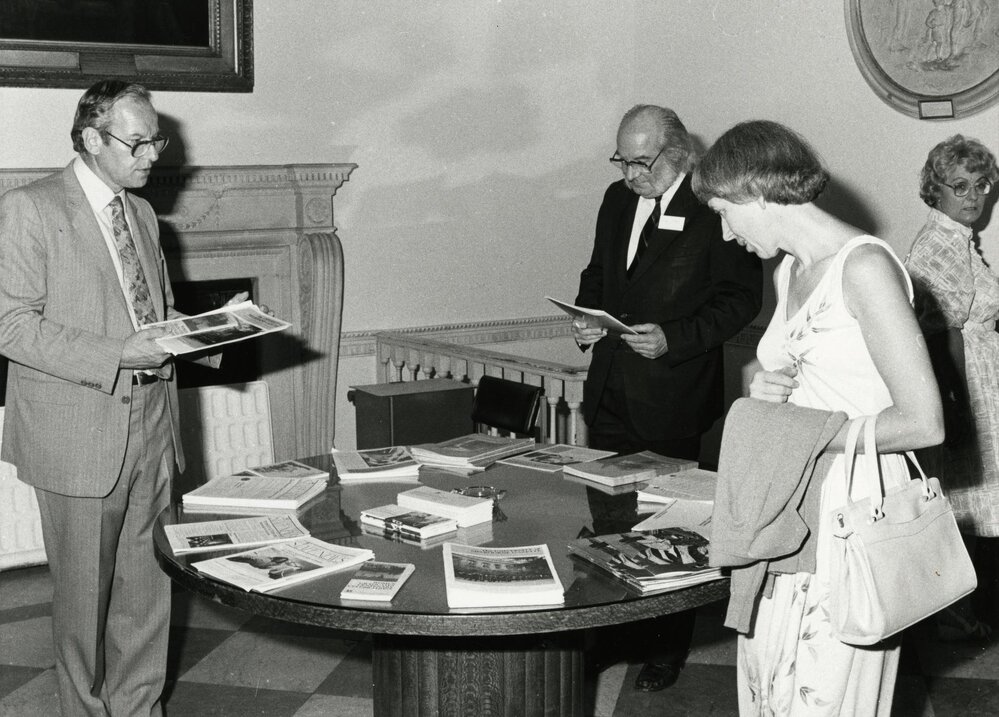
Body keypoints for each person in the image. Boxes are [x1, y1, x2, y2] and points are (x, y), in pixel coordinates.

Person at [691, 119, 944, 714]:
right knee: (770, 682)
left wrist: (815, 434)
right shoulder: (789, 270)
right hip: (791, 497)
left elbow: (925, 422)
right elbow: (798, 371)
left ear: (758, 192)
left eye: (727, 211)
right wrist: (764, 383)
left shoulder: (864, 267)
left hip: (852, 507)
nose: (726, 233)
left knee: (824, 694)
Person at [0, 80, 203, 716]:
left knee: (149, 589)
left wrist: (216, 330)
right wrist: (117, 354)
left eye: (156, 141)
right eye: (137, 142)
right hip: (79, 427)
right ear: (91, 139)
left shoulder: (142, 214)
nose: (152, 156)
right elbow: (11, 325)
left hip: (151, 420)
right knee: (85, 600)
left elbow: (156, 315)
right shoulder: (30, 209)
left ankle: (139, 708)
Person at [573, 104, 762, 691]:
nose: (631, 174)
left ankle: (663, 648)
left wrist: (675, 339)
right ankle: (611, 635)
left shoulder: (712, 208)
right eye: (623, 161)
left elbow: (740, 300)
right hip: (608, 391)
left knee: (666, 530)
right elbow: (598, 274)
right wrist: (586, 317)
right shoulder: (614, 199)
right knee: (608, 525)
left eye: (641, 162)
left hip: (674, 396)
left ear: (677, 152)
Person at [903, 134, 999, 641]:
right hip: (962, 389)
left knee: (969, 503)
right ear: (933, 189)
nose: (974, 196)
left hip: (980, 385)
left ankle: (959, 613)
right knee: (958, 506)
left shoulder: (959, 239)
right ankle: (953, 618)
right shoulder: (937, 243)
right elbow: (941, 335)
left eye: (982, 184)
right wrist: (959, 409)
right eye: (959, 186)